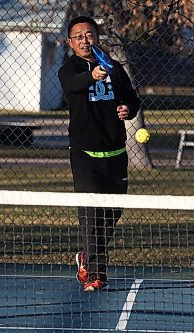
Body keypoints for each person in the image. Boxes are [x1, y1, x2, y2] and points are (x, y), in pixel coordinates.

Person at [58, 16, 141, 292]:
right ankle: (97, 273)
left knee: (111, 214)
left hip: (115, 152)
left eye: (89, 35)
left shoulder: (114, 68)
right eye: (79, 36)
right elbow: (72, 85)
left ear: (97, 37)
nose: (85, 40)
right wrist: (91, 75)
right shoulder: (68, 69)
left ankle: (86, 256)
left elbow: (132, 97)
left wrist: (127, 109)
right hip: (84, 154)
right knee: (91, 214)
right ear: (70, 42)